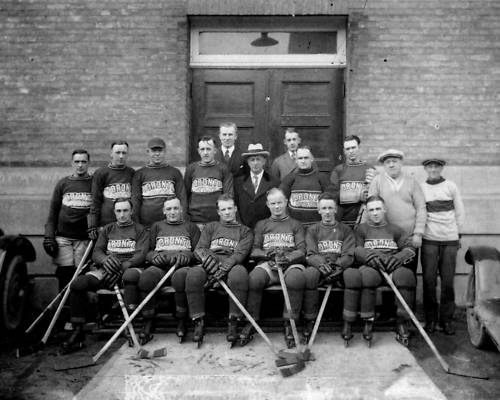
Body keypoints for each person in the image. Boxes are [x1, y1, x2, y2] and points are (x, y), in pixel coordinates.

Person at [62, 198, 148, 353]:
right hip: (106, 270)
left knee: (130, 278)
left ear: (132, 211)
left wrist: (122, 268)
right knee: (77, 284)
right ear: (114, 212)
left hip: (129, 269)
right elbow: (97, 252)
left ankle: (129, 326)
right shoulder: (108, 229)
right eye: (119, 211)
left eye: (125, 210)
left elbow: (141, 254)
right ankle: (78, 331)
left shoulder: (140, 230)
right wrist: (105, 261)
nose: (122, 215)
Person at [123, 197, 200, 344]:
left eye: (175, 208)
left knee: (180, 279)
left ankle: (181, 319)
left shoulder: (191, 227)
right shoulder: (156, 226)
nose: (172, 212)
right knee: (146, 278)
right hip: (161, 266)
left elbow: (198, 252)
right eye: (169, 209)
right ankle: (148, 320)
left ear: (181, 209)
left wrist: (187, 255)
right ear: (164, 211)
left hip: (181, 266)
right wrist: (154, 257)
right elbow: (149, 251)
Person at [240, 188, 306, 348]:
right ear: (268, 205)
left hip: (290, 265)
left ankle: (290, 323)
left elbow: (301, 250)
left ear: (286, 202)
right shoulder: (262, 224)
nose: (277, 207)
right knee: (254, 279)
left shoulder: (295, 224)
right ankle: (252, 322)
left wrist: (287, 258)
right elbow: (254, 250)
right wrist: (267, 255)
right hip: (269, 264)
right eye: (273, 203)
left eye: (280, 203)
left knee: (295, 280)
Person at [354, 195, 417, 346]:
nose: (375, 213)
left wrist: (399, 258)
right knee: (367, 277)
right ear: (367, 212)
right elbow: (356, 249)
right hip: (372, 266)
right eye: (371, 210)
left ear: (384, 210)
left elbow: (410, 247)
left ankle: (402, 322)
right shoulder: (361, 229)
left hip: (391, 266)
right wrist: (369, 257)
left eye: (378, 209)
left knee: (406, 276)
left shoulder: (394, 229)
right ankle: (368, 321)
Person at [195, 194, 253, 346]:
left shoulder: (245, 231)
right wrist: (207, 259)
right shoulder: (211, 227)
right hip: (211, 263)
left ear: (235, 209)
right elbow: (200, 248)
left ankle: (233, 322)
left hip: (231, 264)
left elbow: (240, 253)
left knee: (239, 274)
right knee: (193, 274)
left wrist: (225, 266)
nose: (227, 212)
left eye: (229, 208)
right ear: (218, 212)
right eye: (223, 209)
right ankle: (198, 321)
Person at [420, 158, 465, 335]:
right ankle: (430, 320)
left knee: (447, 282)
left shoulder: (451, 186)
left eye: (436, 166)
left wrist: (458, 233)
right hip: (429, 239)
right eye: (429, 166)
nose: (433, 169)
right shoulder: (421, 188)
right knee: (429, 281)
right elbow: (420, 212)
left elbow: (460, 211)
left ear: (442, 168)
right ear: (425, 169)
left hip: (449, 239)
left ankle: (446, 320)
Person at [305, 193, 356, 344]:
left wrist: (339, 266)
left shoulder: (345, 229)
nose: (327, 212)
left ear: (335, 210)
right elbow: (311, 253)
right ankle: (310, 320)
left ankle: (348, 322)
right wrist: (322, 265)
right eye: (324, 208)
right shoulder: (312, 230)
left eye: (330, 208)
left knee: (352, 277)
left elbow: (349, 254)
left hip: (339, 268)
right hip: (321, 268)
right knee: (309, 275)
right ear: (318, 210)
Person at [368, 149, 426, 271]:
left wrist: (418, 233)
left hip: (409, 239)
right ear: (384, 165)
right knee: (386, 273)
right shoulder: (377, 181)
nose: (391, 164)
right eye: (388, 162)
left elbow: (421, 208)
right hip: (385, 239)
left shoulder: (412, 181)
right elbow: (369, 207)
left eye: (394, 161)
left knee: (408, 275)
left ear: (401, 163)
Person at [44, 149, 93, 291]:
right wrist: (49, 236)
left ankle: (78, 308)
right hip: (63, 237)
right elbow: (53, 212)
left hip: (83, 238)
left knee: (80, 273)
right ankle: (63, 308)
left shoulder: (93, 183)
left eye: (83, 161)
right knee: (64, 272)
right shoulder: (63, 184)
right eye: (77, 162)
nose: (80, 165)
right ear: (72, 163)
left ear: (88, 163)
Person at [132, 137, 187, 227]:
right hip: (146, 224)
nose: (157, 154)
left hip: (170, 223)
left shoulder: (174, 172)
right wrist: (136, 224)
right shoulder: (140, 174)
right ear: (148, 152)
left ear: (165, 151)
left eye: (160, 150)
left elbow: (182, 198)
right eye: (154, 151)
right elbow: (135, 201)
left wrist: (182, 220)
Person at [88, 140, 135, 239]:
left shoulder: (131, 173)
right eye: (118, 153)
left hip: (127, 225)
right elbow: (95, 200)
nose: (121, 156)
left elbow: (135, 200)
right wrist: (92, 225)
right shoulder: (101, 173)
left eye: (124, 153)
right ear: (111, 154)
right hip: (105, 225)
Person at [184, 135, 233, 231]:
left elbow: (228, 195)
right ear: (198, 151)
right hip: (196, 221)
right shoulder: (191, 169)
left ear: (215, 150)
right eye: (202, 149)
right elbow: (185, 194)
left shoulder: (223, 168)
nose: (205, 153)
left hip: (217, 221)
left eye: (208, 149)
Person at [330, 135, 376, 228]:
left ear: (359, 148)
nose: (351, 151)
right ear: (344, 151)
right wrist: (358, 195)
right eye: (348, 149)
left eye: (353, 148)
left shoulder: (369, 169)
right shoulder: (338, 170)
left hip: (364, 219)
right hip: (342, 220)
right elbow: (332, 195)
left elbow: (374, 194)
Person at [279, 146, 333, 226]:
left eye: (306, 158)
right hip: (295, 226)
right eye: (300, 158)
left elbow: (331, 201)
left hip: (317, 226)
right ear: (296, 161)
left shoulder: (322, 178)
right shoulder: (289, 178)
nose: (303, 161)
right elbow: (281, 201)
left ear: (311, 159)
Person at [234, 143, 279, 229]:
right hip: (244, 229)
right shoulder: (238, 182)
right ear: (248, 162)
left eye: (258, 159)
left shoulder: (274, 182)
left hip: (266, 229)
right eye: (252, 160)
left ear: (264, 161)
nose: (255, 163)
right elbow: (235, 205)